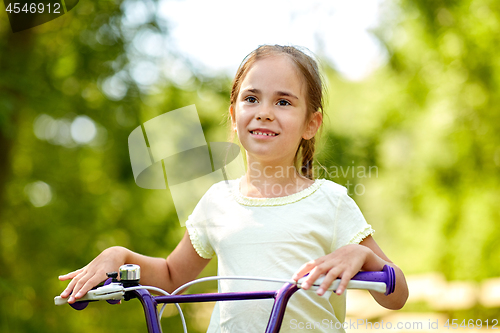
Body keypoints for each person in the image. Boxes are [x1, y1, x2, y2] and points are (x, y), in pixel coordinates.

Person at [59, 45, 408, 332]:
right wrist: (120, 256)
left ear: (311, 123)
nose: (265, 113)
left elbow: (397, 295)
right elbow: (169, 278)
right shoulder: (217, 202)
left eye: (283, 102)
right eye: (251, 99)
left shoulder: (330, 202)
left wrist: (363, 257)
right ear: (233, 114)